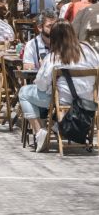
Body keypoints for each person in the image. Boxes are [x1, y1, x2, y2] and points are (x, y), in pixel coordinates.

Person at [18, 20, 99, 152]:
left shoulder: (53, 57)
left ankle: (39, 132)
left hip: (61, 102)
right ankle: (56, 126)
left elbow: (42, 86)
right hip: (88, 102)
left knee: (23, 92)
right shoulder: (89, 50)